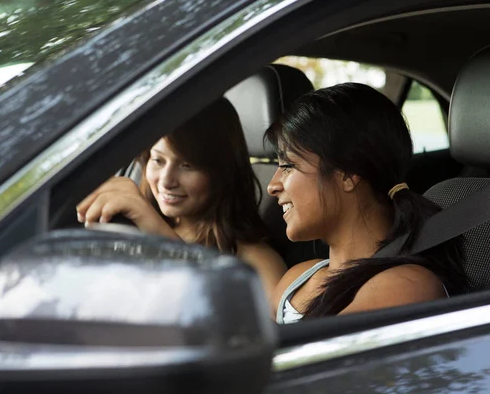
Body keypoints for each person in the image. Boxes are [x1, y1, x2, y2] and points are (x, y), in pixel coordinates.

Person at [265, 83, 468, 324]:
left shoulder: (406, 286)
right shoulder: (296, 279)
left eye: (288, 166)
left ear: (349, 174)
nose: (272, 186)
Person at [77, 98, 286, 301]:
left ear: (222, 171)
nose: (166, 181)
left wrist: (152, 225)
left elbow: (269, 333)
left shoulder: (256, 261)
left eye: (187, 165)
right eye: (158, 160)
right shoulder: (125, 227)